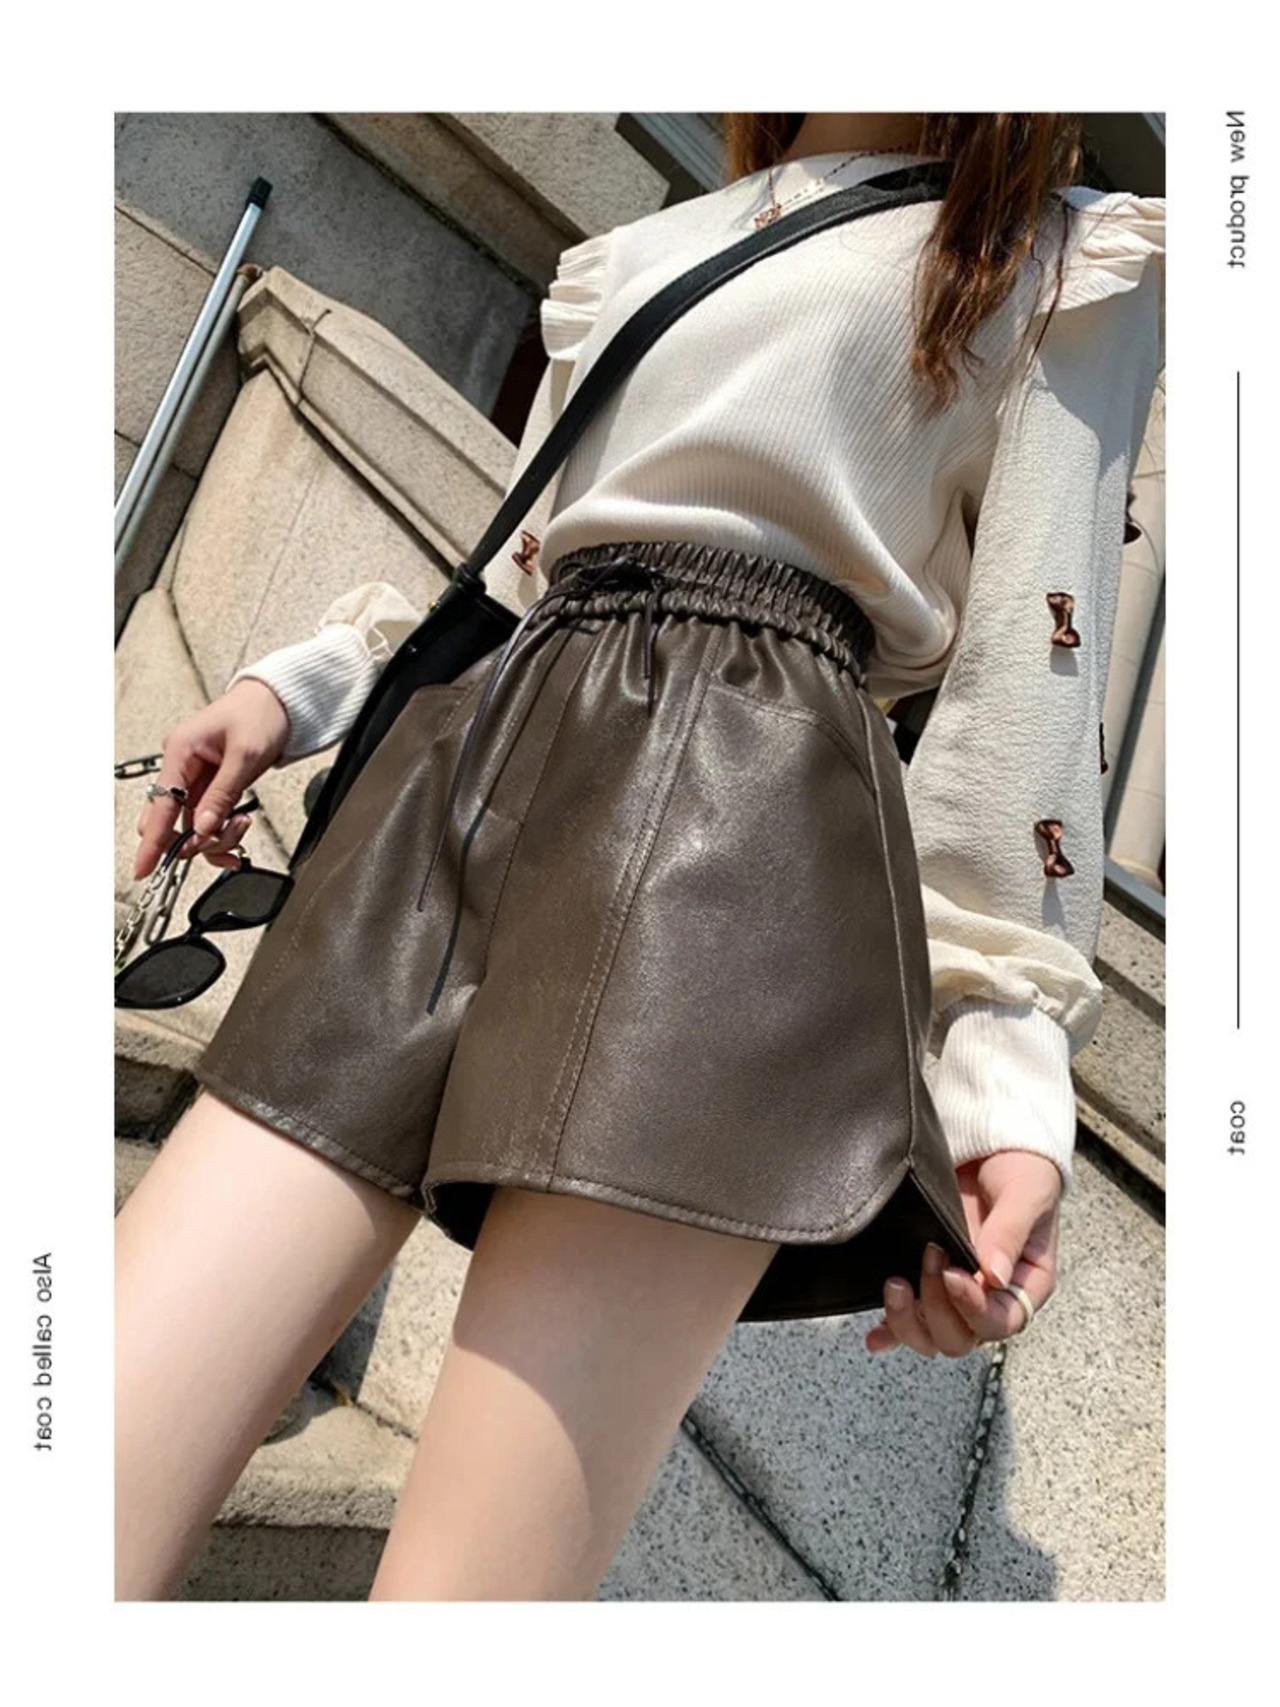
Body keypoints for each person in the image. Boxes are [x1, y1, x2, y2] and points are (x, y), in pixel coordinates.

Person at [116, 111, 1165, 1601]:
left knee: (468, 1601)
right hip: (465, 776)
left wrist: (1006, 1067)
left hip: (737, 835)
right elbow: (517, 565)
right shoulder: (643, 252)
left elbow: (1028, 685)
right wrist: (294, 689)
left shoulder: (1057, 259)